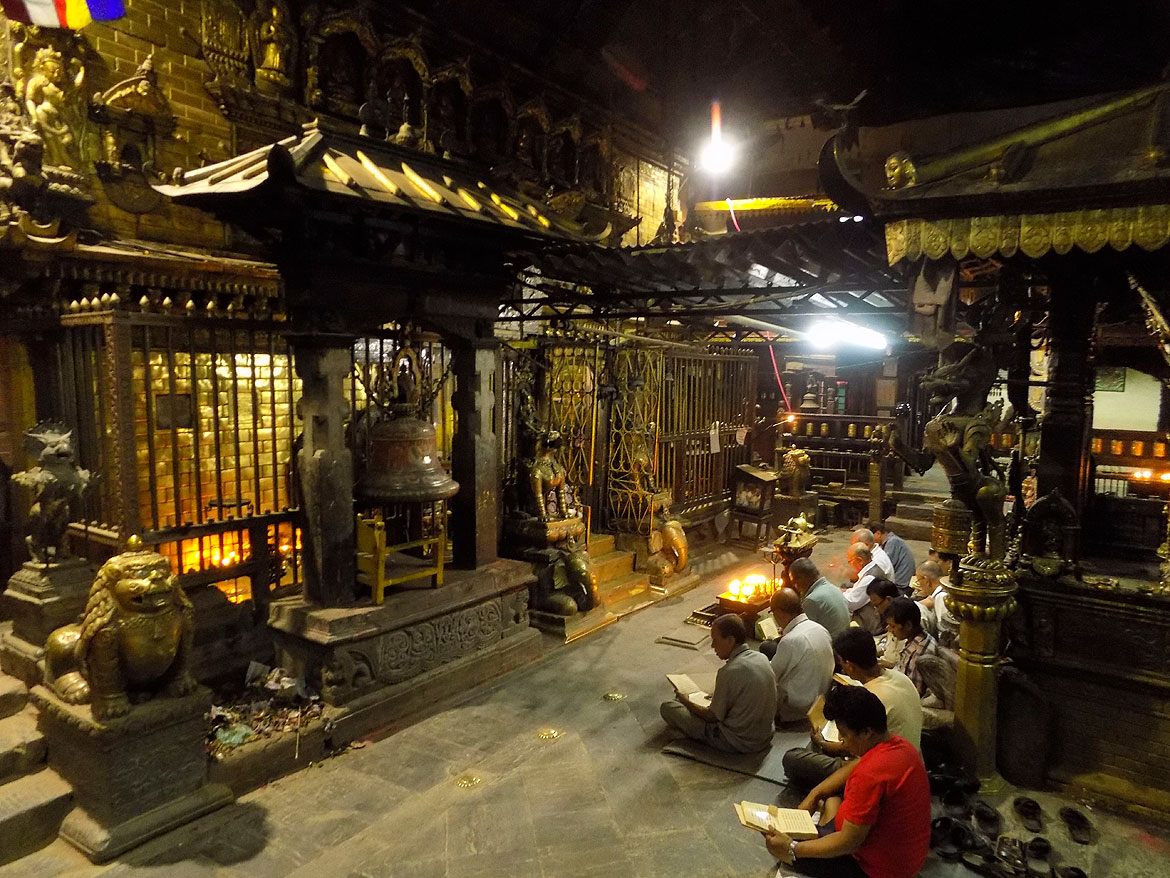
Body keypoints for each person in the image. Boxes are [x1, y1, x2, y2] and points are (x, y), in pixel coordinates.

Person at [765, 686, 931, 878]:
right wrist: (815, 794)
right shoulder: (900, 746)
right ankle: (825, 826)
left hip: (874, 870)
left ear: (867, 732)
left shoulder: (872, 774)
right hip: (904, 859)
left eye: (843, 734)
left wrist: (792, 848)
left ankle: (820, 831)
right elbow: (851, 768)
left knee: (780, 846)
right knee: (830, 797)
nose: (841, 741)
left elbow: (849, 843)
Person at [783, 629, 923, 789]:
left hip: (881, 772)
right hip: (911, 760)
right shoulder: (899, 677)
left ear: (849, 665)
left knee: (793, 758)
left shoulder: (872, 699)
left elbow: (852, 747)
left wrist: (823, 743)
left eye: (841, 663)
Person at [660, 614, 777, 753]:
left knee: (669, 707)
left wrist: (685, 700)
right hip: (765, 736)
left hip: (739, 741)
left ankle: (692, 736)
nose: (712, 646)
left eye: (715, 640)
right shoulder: (761, 657)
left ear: (730, 640)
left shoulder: (729, 671)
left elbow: (711, 717)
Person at [767, 588, 835, 724]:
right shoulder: (819, 628)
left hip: (798, 709)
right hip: (821, 698)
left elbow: (770, 676)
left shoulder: (791, 641)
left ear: (779, 613)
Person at [883, 598, 938, 696]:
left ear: (908, 625)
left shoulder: (920, 651)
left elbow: (913, 691)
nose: (889, 629)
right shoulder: (913, 640)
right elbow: (904, 669)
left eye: (893, 626)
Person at [790, 557, 850, 638]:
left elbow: (804, 633)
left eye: (794, 581)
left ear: (802, 578)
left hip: (831, 646)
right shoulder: (834, 588)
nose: (795, 586)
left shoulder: (812, 599)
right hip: (844, 640)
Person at [912, 560, 958, 648]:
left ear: (926, 581)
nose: (919, 586)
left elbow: (944, 632)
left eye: (919, 581)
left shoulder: (941, 597)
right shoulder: (943, 590)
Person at [868, 521, 915, 590]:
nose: (871, 541)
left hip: (901, 584)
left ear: (878, 533)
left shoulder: (893, 542)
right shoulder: (889, 542)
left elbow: (884, 566)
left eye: (871, 538)